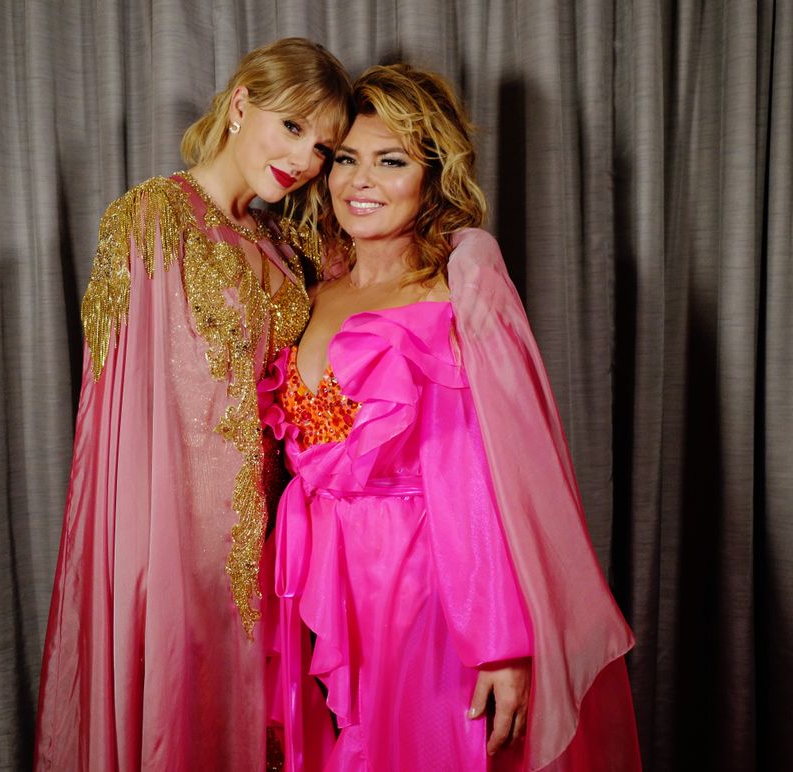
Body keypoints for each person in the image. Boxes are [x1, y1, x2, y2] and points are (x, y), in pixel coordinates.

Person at [261, 64, 641, 770]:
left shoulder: (454, 286)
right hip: (321, 577)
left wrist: (501, 643)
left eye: (391, 161)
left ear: (433, 176)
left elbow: (482, 477)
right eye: (346, 160)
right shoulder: (314, 286)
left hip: (427, 587)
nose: (360, 182)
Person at [34, 38, 352, 771]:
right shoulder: (155, 215)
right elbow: (120, 416)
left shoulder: (284, 243)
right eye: (293, 128)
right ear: (242, 104)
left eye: (323, 147)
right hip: (171, 540)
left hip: (273, 544)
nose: (305, 161)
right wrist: (143, 563)